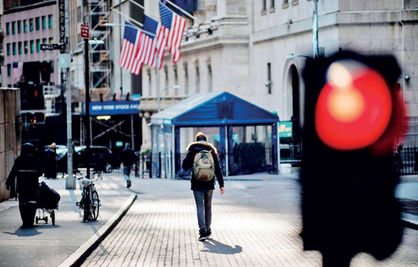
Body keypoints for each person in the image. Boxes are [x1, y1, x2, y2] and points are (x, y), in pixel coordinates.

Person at [182, 132, 225, 241]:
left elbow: (184, 166)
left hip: (197, 183)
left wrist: (189, 157)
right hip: (210, 183)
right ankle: (208, 228)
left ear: (196, 140)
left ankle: (202, 231)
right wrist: (221, 185)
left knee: (200, 207)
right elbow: (217, 169)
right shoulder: (211, 151)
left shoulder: (192, 150)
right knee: (208, 206)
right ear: (206, 140)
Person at [6, 143, 43, 227]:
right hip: (33, 185)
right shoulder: (36, 160)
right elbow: (40, 172)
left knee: (22, 203)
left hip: (21, 185)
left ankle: (25, 221)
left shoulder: (19, 160)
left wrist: (8, 182)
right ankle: (30, 221)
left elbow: (13, 172)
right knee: (32, 202)